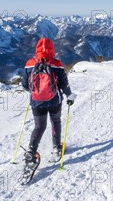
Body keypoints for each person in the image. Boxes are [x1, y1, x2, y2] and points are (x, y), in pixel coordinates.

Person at [21, 38, 76, 170]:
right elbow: (64, 84)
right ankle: (56, 148)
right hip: (54, 101)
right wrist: (69, 95)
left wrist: (35, 92)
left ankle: (31, 151)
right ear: (52, 49)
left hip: (36, 102)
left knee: (39, 126)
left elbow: (24, 84)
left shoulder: (29, 64)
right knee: (55, 122)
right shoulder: (57, 64)